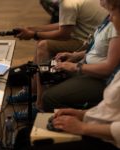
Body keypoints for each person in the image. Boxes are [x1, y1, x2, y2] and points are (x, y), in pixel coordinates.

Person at [30, 2, 120, 150]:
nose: (110, 17)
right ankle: (38, 105)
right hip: (90, 73)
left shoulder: (115, 31)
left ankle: (43, 114)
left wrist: (82, 126)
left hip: (98, 78)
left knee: (50, 96)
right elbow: (97, 49)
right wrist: (82, 115)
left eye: (113, 12)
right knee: (46, 71)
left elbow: (107, 69)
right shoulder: (108, 22)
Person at [7, 0, 107, 105]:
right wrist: (32, 29)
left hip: (87, 43)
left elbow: (64, 34)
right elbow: (64, 24)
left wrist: (34, 34)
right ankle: (33, 91)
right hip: (91, 40)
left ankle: (40, 103)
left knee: (43, 46)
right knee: (42, 42)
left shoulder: (67, 3)